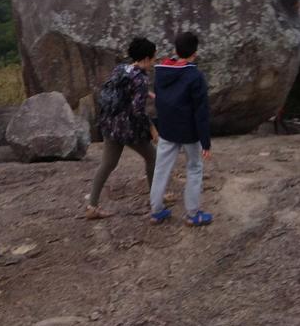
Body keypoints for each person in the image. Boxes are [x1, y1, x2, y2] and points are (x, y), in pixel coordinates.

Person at [85, 37, 159, 219]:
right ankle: (155, 198)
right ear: (147, 58)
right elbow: (137, 111)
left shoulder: (122, 68)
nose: (155, 61)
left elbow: (122, 91)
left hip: (110, 124)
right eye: (154, 58)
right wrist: (152, 129)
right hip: (128, 129)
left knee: (108, 164)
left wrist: (146, 94)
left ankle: (92, 206)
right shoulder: (140, 80)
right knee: (153, 158)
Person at [148, 31, 213, 226]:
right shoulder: (195, 76)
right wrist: (205, 142)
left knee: (161, 169)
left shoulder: (161, 71)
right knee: (194, 168)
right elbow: (201, 112)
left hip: (167, 129)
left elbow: (159, 101)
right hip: (189, 132)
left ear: (175, 50)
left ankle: (156, 210)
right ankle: (193, 214)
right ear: (195, 53)